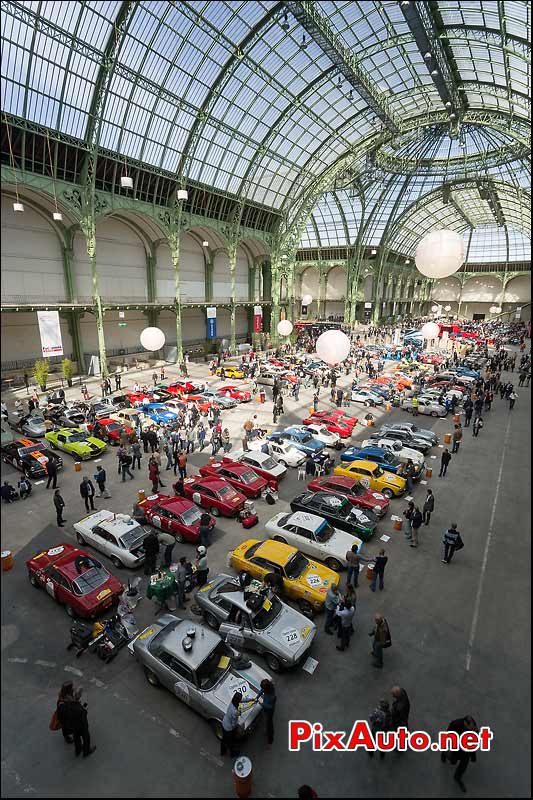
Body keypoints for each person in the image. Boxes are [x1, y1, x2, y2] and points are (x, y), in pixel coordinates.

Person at [440, 715, 479, 792]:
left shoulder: (473, 728)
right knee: (453, 761)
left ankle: (457, 777)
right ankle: (445, 753)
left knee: (464, 762)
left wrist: (473, 755)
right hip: (456, 746)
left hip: (465, 749)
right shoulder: (455, 725)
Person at [62, 691, 96, 758]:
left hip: (74, 726)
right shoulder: (76, 707)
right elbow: (82, 714)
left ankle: (78, 750)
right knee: (86, 738)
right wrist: (85, 710)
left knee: (76, 737)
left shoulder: (66, 705)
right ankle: (86, 751)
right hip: (82, 725)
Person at [220, 692, 243, 757]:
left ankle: (222, 751)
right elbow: (233, 724)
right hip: (229, 728)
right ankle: (232, 753)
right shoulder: (235, 712)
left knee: (224, 739)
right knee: (231, 742)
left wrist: (250, 699)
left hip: (224, 723)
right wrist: (238, 715)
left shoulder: (232, 702)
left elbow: (242, 700)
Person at [257, 679, 276, 745]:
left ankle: (270, 738)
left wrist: (262, 704)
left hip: (269, 710)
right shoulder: (267, 688)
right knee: (266, 720)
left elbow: (270, 707)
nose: (262, 689)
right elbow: (262, 690)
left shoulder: (272, 696)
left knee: (269, 723)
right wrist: (257, 696)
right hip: (266, 706)